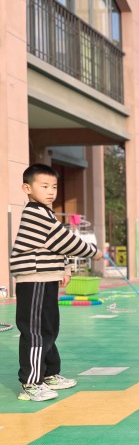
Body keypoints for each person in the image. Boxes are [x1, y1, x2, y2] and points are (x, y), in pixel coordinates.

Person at [10, 164, 104, 402]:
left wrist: (65, 269)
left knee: (49, 327)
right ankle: (31, 383)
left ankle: (49, 373)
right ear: (27, 188)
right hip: (34, 278)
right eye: (44, 186)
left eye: (54, 187)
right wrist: (93, 252)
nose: (51, 191)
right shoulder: (34, 213)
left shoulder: (47, 213)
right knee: (34, 331)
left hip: (47, 277)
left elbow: (55, 246)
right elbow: (63, 239)